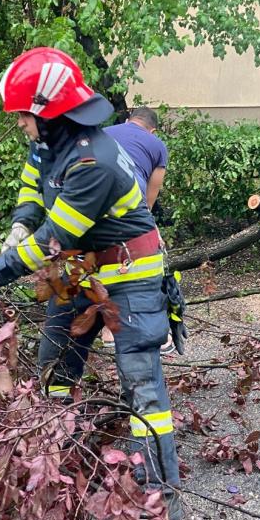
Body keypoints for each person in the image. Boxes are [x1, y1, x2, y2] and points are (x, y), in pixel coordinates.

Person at [0, 48, 182, 520]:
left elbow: (50, 242)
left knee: (141, 381)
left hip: (129, 275)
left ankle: (161, 490)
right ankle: (62, 449)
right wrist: (20, 221)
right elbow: (33, 184)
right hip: (80, 271)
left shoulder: (92, 163)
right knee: (55, 363)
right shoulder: (52, 142)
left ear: (49, 114)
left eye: (23, 117)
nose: (19, 125)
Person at [100, 107, 172, 351]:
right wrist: (147, 224)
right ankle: (155, 330)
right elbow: (151, 195)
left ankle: (107, 327)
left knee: (103, 257)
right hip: (130, 203)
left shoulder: (103, 132)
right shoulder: (156, 144)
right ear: (152, 129)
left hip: (92, 199)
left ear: (129, 120)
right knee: (144, 258)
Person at [104, 107, 168, 211]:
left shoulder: (102, 133)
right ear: (153, 131)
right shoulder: (159, 146)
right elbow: (149, 203)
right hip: (131, 201)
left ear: (126, 121)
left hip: (94, 192)